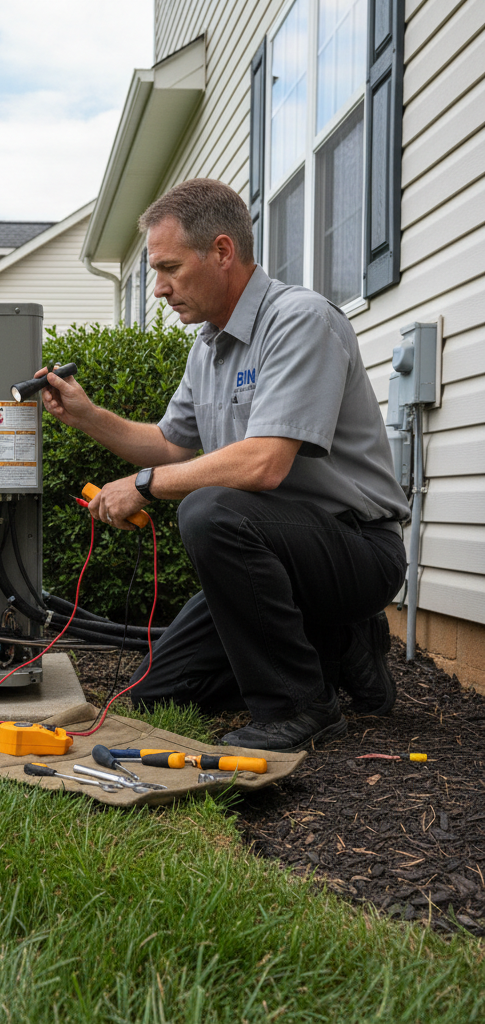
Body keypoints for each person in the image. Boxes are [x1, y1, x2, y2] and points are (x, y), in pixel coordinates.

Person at [38, 178, 408, 752]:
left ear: (222, 251)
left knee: (210, 509)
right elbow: (166, 443)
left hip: (355, 549)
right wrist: (85, 414)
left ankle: (299, 706)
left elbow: (263, 464)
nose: (158, 289)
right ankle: (338, 649)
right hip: (275, 551)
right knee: (160, 692)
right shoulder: (209, 346)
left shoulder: (300, 319)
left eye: (168, 268)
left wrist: (144, 487)